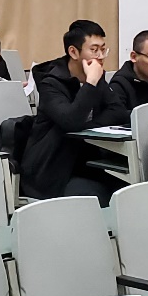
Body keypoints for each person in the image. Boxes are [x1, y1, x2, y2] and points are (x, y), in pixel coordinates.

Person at [21, 20, 124, 201]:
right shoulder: (50, 82)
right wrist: (90, 83)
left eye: (103, 49)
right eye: (94, 50)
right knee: (97, 195)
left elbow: (118, 111)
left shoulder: (96, 76)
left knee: (126, 188)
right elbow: (71, 121)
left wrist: (87, 126)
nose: (101, 56)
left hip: (85, 160)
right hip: (52, 168)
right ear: (73, 52)